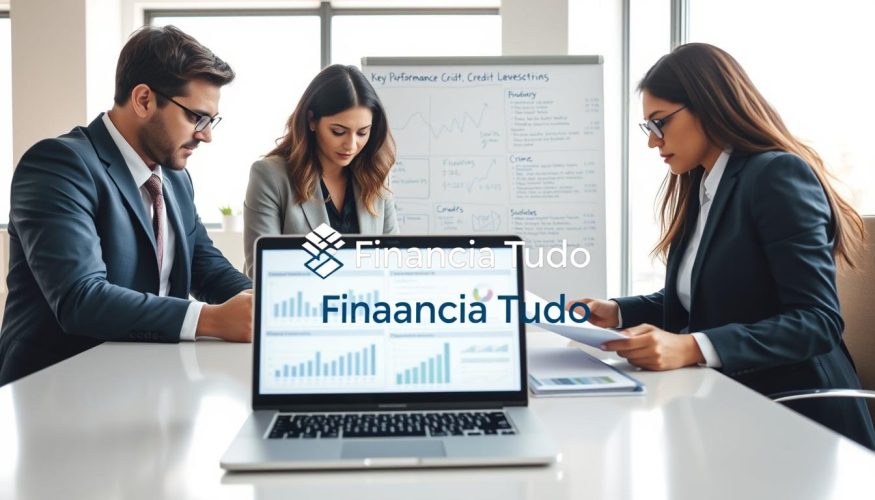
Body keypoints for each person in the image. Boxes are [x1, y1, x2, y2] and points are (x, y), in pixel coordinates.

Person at [574, 43, 875, 449]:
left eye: (659, 123)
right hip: (732, 405)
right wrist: (619, 311)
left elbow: (816, 321)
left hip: (799, 418)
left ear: (708, 105)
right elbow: (707, 294)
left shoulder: (776, 175)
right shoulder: (704, 184)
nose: (653, 142)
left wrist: (692, 346)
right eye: (648, 128)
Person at [0, 26, 254, 386]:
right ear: (144, 100)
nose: (206, 135)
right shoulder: (58, 165)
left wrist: (268, 307)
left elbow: (206, 268)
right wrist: (209, 319)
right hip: (56, 392)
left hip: (150, 385)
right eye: (196, 117)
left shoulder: (175, 178)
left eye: (211, 121)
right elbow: (81, 299)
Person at [243, 64, 398, 277]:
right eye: (338, 132)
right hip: (296, 306)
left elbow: (392, 261)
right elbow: (261, 271)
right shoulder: (271, 176)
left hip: (366, 305)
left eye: (362, 133)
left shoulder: (376, 175)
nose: (351, 145)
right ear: (311, 120)